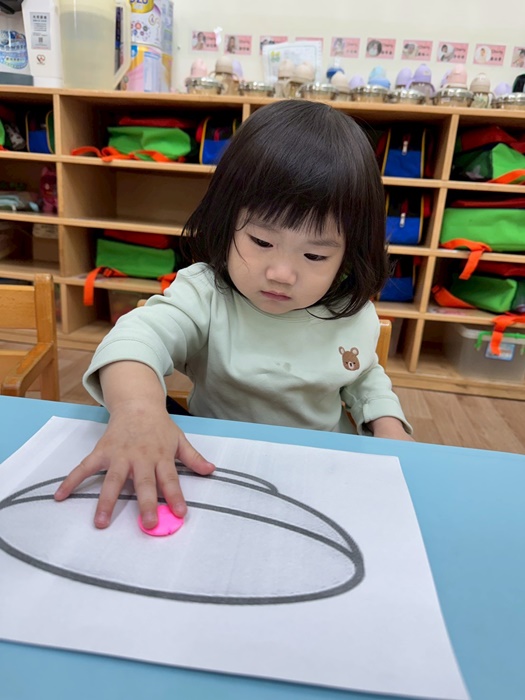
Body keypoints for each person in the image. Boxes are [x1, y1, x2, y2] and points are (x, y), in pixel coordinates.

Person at [54, 100, 413, 530]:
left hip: (321, 468)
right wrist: (136, 409)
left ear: (349, 255)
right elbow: (136, 339)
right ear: (227, 222)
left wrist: (386, 422)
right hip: (219, 466)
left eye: (315, 255)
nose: (281, 273)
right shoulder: (206, 294)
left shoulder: (349, 311)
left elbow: (361, 374)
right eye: (261, 242)